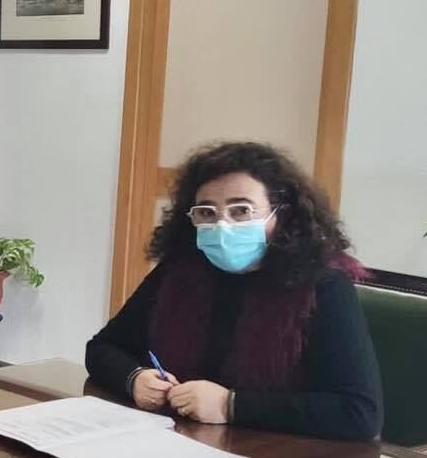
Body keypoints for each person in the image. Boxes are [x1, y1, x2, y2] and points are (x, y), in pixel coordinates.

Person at [86, 141, 382, 440]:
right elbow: (102, 348)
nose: (222, 225)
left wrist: (230, 405)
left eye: (241, 210)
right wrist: (134, 378)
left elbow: (359, 413)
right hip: (182, 442)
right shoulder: (179, 272)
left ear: (281, 214)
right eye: (206, 212)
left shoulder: (325, 286)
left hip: (280, 454)